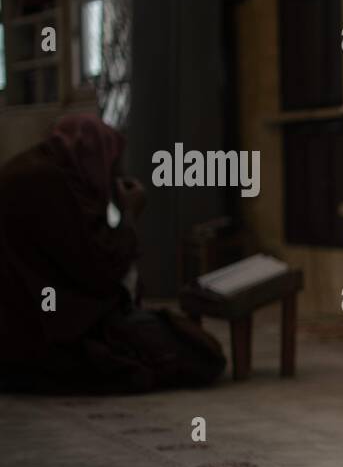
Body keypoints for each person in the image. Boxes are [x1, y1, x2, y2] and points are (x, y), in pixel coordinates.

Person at [0, 113, 225, 394]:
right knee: (202, 354)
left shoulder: (36, 170)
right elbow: (101, 270)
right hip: (51, 339)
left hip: (25, 333)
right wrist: (130, 213)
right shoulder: (48, 183)